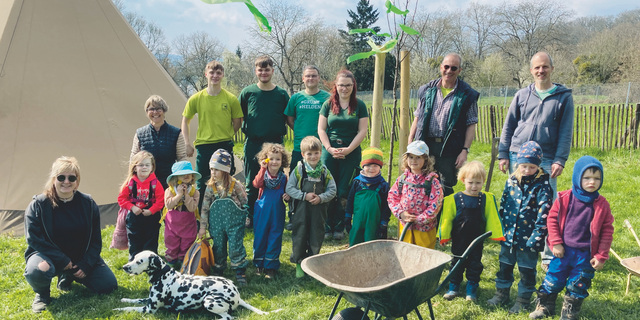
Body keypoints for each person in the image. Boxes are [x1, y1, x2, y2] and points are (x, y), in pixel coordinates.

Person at [498, 51, 575, 271]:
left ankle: (548, 252)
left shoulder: (563, 97)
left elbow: (565, 131)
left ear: (552, 68)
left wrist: (560, 159)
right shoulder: (522, 95)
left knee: (547, 204)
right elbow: (509, 125)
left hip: (548, 157)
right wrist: (504, 153)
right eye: (537, 68)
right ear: (531, 71)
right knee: (518, 201)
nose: (541, 71)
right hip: (518, 156)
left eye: (545, 67)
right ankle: (514, 243)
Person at [24, 156, 117, 313]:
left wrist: (86, 264)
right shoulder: (38, 205)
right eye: (61, 177)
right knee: (38, 270)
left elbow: (95, 241)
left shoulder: (88, 204)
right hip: (48, 256)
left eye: (71, 177)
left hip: (80, 256)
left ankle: (68, 276)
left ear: (77, 181)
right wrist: (63, 260)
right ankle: (42, 295)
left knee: (108, 285)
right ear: (54, 179)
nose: (66, 181)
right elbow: (34, 239)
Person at [529, 156, 614, 320]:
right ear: (577, 177)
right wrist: (556, 243)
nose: (592, 182)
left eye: (597, 178)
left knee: (578, 284)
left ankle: (569, 312)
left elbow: (607, 231)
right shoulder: (563, 199)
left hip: (585, 255)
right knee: (553, 279)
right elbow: (552, 220)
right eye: (587, 177)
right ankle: (545, 306)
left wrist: (601, 255)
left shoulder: (602, 204)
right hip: (563, 251)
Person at [487, 141, 553, 314]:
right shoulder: (512, 181)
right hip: (508, 235)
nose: (527, 170)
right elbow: (503, 204)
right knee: (504, 267)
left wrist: (537, 236)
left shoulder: (542, 186)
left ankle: (523, 299)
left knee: (526, 270)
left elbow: (544, 213)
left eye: (532, 167)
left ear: (538, 167)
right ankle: (502, 293)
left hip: (529, 238)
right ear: (518, 164)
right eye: (524, 166)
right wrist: (500, 227)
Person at [408, 53, 479, 197]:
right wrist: (410, 141)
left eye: (454, 68)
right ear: (441, 67)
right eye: (446, 67)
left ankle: (444, 218)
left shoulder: (467, 94)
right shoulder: (427, 90)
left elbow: (471, 124)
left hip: (450, 147)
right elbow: (417, 117)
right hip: (425, 144)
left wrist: (465, 150)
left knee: (445, 185)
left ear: (459, 70)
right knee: (422, 182)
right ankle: (425, 218)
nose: (449, 71)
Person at [438, 161, 505, 302]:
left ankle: (471, 287)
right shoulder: (454, 199)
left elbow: (491, 216)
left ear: (483, 182)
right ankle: (453, 286)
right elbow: (447, 219)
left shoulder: (485, 198)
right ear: (463, 180)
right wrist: (443, 236)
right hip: (459, 238)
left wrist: (496, 234)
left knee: (475, 263)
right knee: (457, 262)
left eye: (478, 183)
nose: (474, 186)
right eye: (471, 182)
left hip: (477, 239)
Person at [182, 60, 243, 210]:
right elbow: (185, 121)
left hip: (224, 145)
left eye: (218, 73)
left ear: (222, 75)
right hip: (204, 146)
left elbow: (237, 122)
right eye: (212, 72)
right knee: (203, 182)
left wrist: (228, 133)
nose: (215, 76)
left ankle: (226, 212)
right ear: (206, 74)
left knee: (225, 182)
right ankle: (202, 217)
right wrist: (187, 143)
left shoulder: (230, 99)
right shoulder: (196, 98)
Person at [318, 69, 369, 240]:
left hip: (351, 152)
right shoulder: (328, 104)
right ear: (336, 86)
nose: (344, 88)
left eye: (348, 85)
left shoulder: (359, 105)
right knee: (326, 187)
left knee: (343, 189)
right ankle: (326, 226)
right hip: (329, 152)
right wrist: (329, 148)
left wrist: (348, 149)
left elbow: (362, 131)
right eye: (341, 85)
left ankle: (340, 226)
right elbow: (321, 129)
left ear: (353, 86)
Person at [240, 55, 290, 229]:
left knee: (276, 181)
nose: (263, 72)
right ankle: (251, 216)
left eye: (267, 69)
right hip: (254, 143)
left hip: (275, 145)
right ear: (256, 71)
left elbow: (289, 119)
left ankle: (276, 216)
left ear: (272, 71)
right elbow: (241, 116)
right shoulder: (248, 93)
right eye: (260, 69)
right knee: (252, 181)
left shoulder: (282, 94)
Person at [284, 65, 330, 230]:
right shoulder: (296, 98)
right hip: (300, 148)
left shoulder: (327, 97)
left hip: (321, 149)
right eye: (307, 76)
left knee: (321, 180)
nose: (311, 78)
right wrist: (299, 132)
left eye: (314, 76)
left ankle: (320, 215)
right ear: (303, 79)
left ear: (318, 78)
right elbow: (290, 118)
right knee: (296, 181)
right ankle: (294, 215)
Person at [286, 136, 337, 278]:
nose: (313, 156)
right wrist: (304, 196)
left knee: (316, 234)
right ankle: (299, 263)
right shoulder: (299, 170)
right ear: (303, 155)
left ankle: (313, 263)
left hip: (318, 210)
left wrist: (321, 198)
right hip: (301, 209)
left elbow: (333, 190)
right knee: (300, 234)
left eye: (316, 153)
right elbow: (289, 188)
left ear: (321, 153)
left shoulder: (325, 171)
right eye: (309, 153)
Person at [198, 149, 249, 286]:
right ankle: (219, 269)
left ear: (225, 171)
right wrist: (203, 227)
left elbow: (245, 202)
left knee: (235, 245)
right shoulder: (210, 187)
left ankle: (239, 270)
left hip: (234, 223)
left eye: (217, 169)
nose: (213, 173)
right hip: (217, 224)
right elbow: (204, 208)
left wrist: (247, 217)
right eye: (212, 169)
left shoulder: (235, 185)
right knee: (218, 247)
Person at [387, 140, 443, 249]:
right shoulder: (403, 179)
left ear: (426, 160)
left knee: (424, 255)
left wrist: (420, 219)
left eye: (418, 157)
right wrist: (401, 213)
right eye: (411, 157)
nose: (414, 160)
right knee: (406, 252)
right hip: (405, 226)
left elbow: (436, 203)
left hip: (424, 228)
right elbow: (392, 197)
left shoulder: (432, 181)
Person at [131, 95, 187, 189]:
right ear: (147, 112)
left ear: (164, 111)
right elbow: (133, 159)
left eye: (158, 109)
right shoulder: (139, 134)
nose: (155, 112)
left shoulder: (176, 133)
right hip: (145, 185)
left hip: (169, 184)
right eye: (151, 109)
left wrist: (183, 181)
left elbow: (182, 159)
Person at [118, 151, 165, 261]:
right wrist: (132, 207)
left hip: (151, 216)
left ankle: (150, 260)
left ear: (152, 167)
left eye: (147, 165)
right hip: (134, 215)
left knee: (151, 238)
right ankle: (134, 260)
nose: (144, 167)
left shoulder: (155, 183)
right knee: (134, 238)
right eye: (141, 165)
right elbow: (121, 199)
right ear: (135, 168)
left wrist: (152, 210)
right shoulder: (130, 183)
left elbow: (161, 200)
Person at [252, 143, 290, 279]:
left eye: (278, 159)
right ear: (266, 159)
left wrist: (287, 196)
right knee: (261, 236)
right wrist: (262, 169)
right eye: (271, 159)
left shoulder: (284, 177)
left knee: (275, 236)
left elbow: (287, 193)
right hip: (262, 211)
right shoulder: (264, 174)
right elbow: (256, 184)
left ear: (282, 161)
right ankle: (259, 264)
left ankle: (271, 266)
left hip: (277, 212)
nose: (274, 162)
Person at [344, 147, 391, 246]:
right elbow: (350, 200)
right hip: (358, 221)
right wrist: (348, 217)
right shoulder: (357, 182)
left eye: (375, 165)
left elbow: (386, 207)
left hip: (374, 224)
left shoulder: (383, 186)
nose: (371, 169)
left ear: (380, 167)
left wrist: (384, 223)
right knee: (356, 243)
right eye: (368, 165)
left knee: (372, 244)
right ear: (363, 166)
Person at [162, 161, 201, 269]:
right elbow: (168, 205)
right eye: (183, 174)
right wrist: (179, 195)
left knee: (187, 241)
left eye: (189, 173)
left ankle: (184, 260)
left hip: (188, 221)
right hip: (173, 222)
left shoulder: (194, 192)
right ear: (176, 177)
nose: (186, 176)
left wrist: (187, 196)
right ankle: (171, 260)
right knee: (171, 240)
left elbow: (192, 207)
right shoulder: (170, 190)